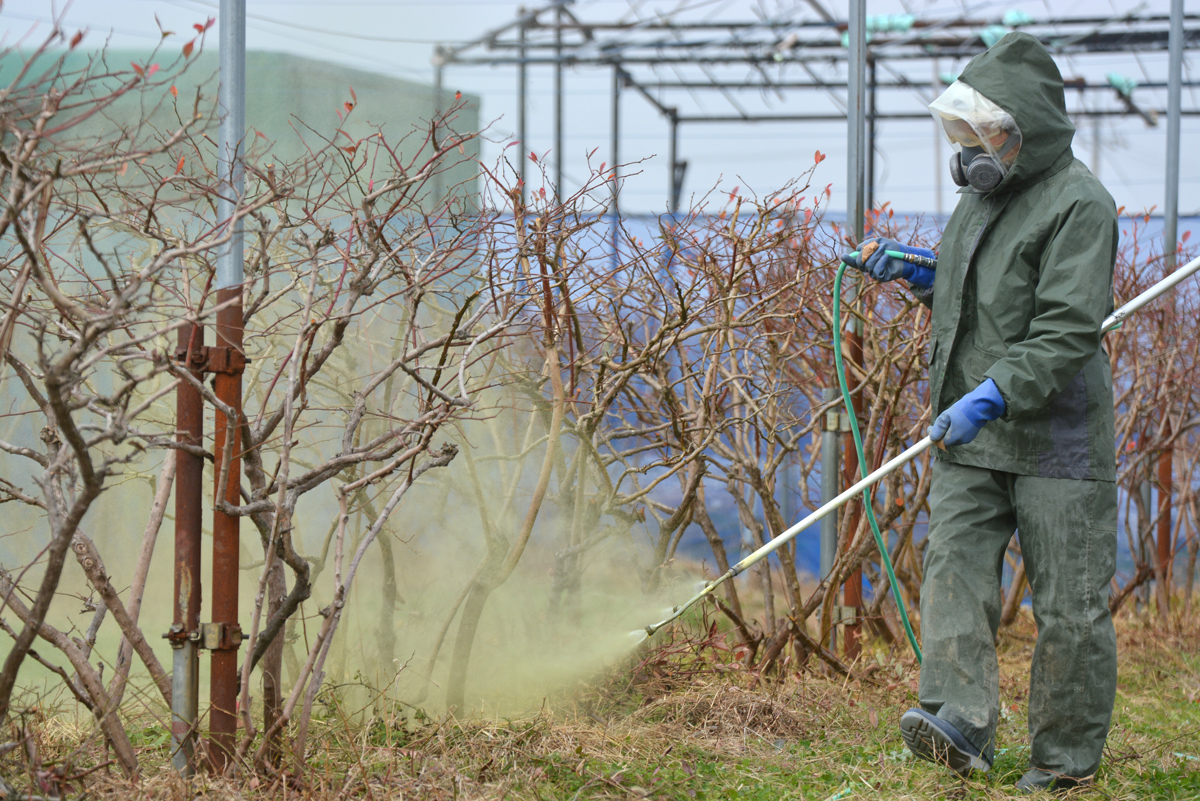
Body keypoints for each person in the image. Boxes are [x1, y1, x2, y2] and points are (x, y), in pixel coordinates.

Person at [842, 32, 1119, 794]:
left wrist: (994, 392)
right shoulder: (979, 200)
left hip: (1054, 434)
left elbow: (1064, 329)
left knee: (1068, 604)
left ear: (1026, 127)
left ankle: (1063, 760)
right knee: (954, 571)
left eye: (981, 133)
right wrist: (920, 273)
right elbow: (978, 300)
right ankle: (958, 722)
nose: (968, 149)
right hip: (972, 428)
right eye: (960, 135)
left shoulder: (1080, 205)